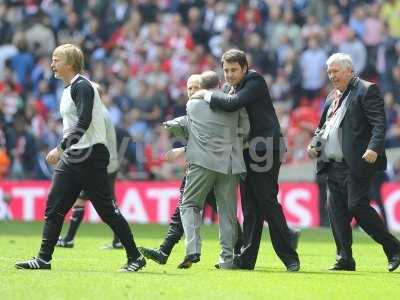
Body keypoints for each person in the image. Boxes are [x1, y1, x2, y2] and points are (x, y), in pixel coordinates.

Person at [15, 44, 145, 272]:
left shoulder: (82, 86)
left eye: (56, 59)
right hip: (75, 155)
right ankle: (43, 258)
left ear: (70, 64)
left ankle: (135, 257)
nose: (52, 63)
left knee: (106, 210)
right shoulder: (68, 89)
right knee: (54, 206)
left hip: (91, 155)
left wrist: (61, 147)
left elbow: (83, 122)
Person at [192, 49, 300, 271]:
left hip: (266, 150)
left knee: (266, 200)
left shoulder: (255, 81)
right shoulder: (232, 88)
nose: (230, 74)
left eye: (234, 70)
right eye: (226, 70)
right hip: (246, 153)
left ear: (245, 68)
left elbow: (232, 103)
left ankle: (290, 257)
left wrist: (206, 94)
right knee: (250, 206)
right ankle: (246, 259)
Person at [307, 53, 400, 272]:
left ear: (349, 70)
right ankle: (344, 258)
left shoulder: (367, 90)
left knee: (356, 205)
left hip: (358, 161)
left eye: (335, 71)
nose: (332, 76)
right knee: (336, 211)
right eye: (329, 72)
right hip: (332, 163)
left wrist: (373, 148)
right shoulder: (332, 96)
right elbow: (323, 127)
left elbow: (379, 124)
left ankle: (394, 248)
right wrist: (314, 144)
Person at [138, 74, 244, 266]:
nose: (192, 92)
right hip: (229, 163)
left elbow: (193, 127)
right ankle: (227, 258)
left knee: (188, 205)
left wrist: (182, 144)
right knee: (226, 213)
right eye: (189, 88)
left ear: (203, 88)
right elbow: (244, 130)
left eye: (196, 88)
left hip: (203, 164)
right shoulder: (235, 106)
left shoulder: (193, 106)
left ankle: (192, 250)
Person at [56, 83, 123, 250]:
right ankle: (118, 240)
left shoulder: (98, 114)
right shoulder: (103, 113)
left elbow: (91, 140)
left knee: (93, 202)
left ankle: (69, 239)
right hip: (109, 164)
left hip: (101, 165)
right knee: (108, 203)